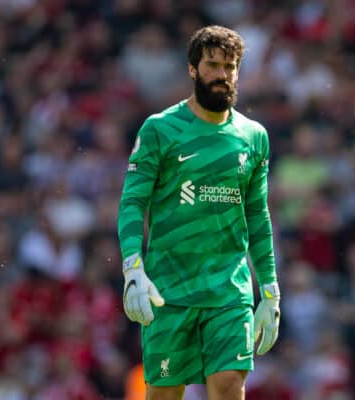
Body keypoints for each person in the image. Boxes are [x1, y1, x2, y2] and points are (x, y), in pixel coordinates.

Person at [117, 25, 281, 400]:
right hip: (169, 291)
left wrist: (269, 290)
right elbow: (132, 202)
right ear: (193, 69)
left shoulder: (254, 136)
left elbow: (257, 215)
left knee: (228, 385)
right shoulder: (160, 129)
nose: (221, 75)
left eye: (230, 66)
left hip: (228, 290)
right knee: (164, 394)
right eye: (212, 65)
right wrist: (132, 267)